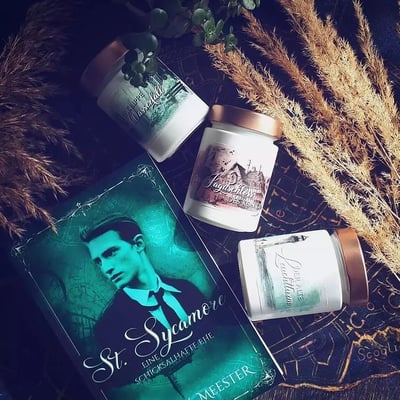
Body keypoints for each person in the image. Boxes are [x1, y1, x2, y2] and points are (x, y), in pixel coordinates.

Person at [80, 215, 209, 388]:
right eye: (98, 262)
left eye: (110, 253)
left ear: (138, 244)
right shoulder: (108, 326)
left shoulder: (186, 289)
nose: (106, 268)